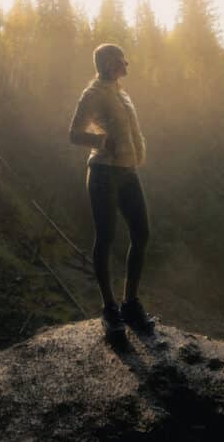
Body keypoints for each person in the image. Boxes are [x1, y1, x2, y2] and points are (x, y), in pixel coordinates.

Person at [68, 43, 156, 336]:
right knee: (105, 237)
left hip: (128, 172)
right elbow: (74, 134)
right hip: (104, 172)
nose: (127, 65)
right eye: (122, 61)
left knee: (141, 233)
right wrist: (100, 141)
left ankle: (130, 304)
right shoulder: (92, 94)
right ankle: (110, 310)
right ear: (107, 64)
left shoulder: (121, 93)